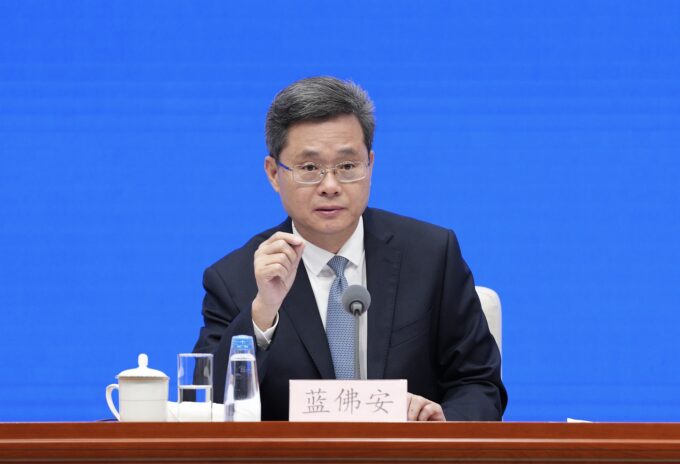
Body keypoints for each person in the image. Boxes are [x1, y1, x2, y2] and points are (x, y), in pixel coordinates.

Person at [193, 76, 507, 421]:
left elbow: (480, 384)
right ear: (273, 173)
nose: (330, 185)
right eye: (309, 168)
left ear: (370, 165)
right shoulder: (236, 279)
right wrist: (262, 312)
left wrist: (442, 423)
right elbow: (208, 408)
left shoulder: (431, 256)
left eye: (346, 166)